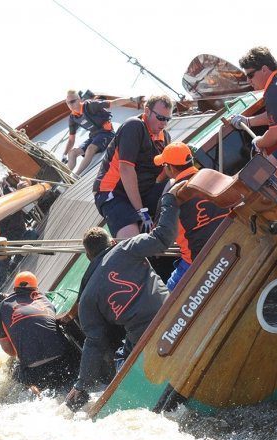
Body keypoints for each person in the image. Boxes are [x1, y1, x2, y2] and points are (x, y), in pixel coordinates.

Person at [64, 189, 179, 410]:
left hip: (142, 336)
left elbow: (94, 342)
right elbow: (164, 237)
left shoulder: (87, 298)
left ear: (89, 257)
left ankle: (129, 399)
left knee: (121, 357)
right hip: (173, 313)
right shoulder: (127, 247)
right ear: (112, 241)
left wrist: (82, 385)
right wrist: (169, 201)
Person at [92, 94, 173, 239]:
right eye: (160, 118)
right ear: (147, 111)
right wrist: (141, 211)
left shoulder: (165, 138)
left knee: (178, 186)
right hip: (114, 193)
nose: (164, 123)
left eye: (167, 119)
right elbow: (126, 169)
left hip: (143, 192)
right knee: (132, 241)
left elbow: (163, 175)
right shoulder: (134, 126)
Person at [153, 142, 231, 291]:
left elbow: (160, 238)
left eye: (164, 165)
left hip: (196, 261)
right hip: (230, 243)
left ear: (170, 168)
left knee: (166, 297)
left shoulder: (170, 198)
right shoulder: (213, 175)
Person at [0, 271, 80, 394]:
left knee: (12, 371)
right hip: (64, 363)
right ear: (35, 288)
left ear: (14, 289)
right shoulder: (45, 300)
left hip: (35, 372)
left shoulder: (2, 308)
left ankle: (33, 388)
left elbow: (8, 349)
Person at [63, 90, 140, 177]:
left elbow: (113, 103)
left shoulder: (91, 106)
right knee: (72, 153)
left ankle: (75, 176)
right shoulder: (73, 117)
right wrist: (64, 154)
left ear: (79, 99)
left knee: (90, 148)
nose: (70, 105)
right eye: (68, 103)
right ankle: (64, 177)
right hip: (94, 136)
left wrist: (131, 99)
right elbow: (71, 139)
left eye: (73, 101)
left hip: (107, 133)